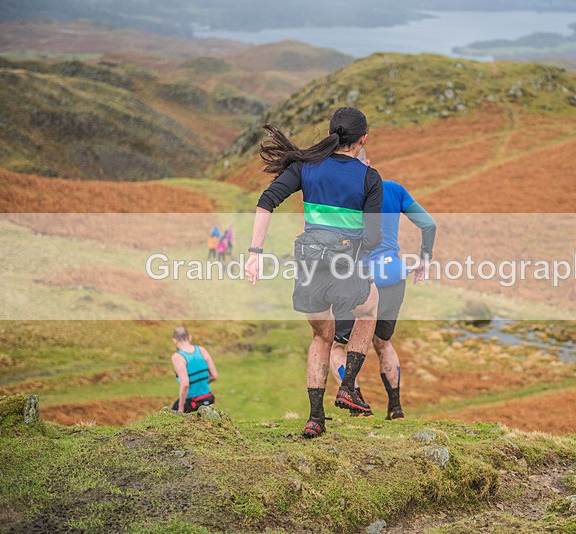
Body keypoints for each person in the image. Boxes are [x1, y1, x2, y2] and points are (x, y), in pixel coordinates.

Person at [245, 107, 383, 438]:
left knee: (321, 335)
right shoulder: (369, 177)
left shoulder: (305, 167)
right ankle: (348, 385)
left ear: (329, 135)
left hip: (308, 266)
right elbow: (375, 237)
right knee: (371, 307)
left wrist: (255, 254)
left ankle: (315, 419)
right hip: (343, 263)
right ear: (362, 140)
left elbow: (267, 201)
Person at [330, 150, 436, 420]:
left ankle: (357, 403)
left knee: (336, 346)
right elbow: (428, 224)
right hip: (393, 277)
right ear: (368, 163)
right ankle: (396, 409)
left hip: (360, 281)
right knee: (383, 343)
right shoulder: (393, 189)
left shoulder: (340, 197)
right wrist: (424, 260)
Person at [170, 326, 218, 413]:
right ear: (190, 337)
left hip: (191, 402)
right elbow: (214, 376)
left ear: (174, 340)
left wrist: (181, 408)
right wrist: (200, 383)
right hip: (208, 398)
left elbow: (185, 384)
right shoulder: (202, 350)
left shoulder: (178, 357)